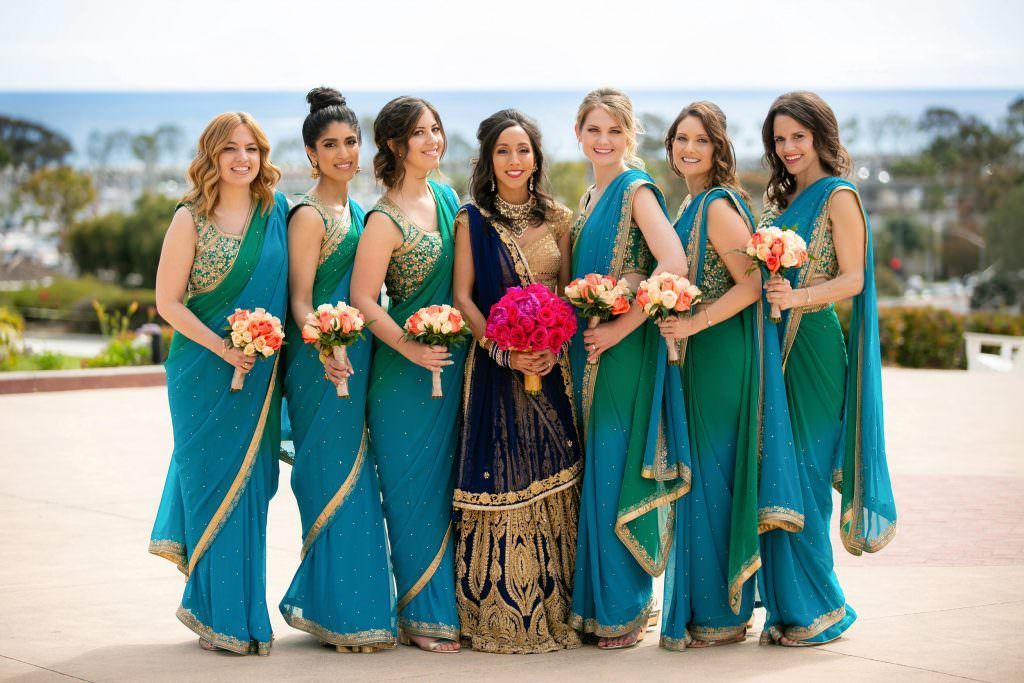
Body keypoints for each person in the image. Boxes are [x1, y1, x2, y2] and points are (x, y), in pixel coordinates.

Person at [655, 102, 802, 649]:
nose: (688, 149)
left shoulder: (716, 206)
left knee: (714, 480)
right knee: (701, 483)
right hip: (697, 355)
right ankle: (711, 611)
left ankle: (723, 615)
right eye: (681, 140)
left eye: (700, 140)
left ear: (718, 149)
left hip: (719, 356)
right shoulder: (690, 204)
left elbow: (751, 285)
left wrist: (694, 323)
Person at [758, 91, 897, 645]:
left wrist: (795, 299)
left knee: (807, 477)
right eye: (779, 139)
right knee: (777, 475)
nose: (788, 148)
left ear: (819, 136)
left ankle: (823, 610)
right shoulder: (784, 199)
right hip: (774, 351)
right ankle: (788, 610)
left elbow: (854, 279)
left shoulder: (839, 196)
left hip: (814, 349)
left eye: (798, 136)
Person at [150, 112, 287, 655]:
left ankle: (246, 613)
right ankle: (214, 613)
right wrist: (222, 347)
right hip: (201, 372)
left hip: (259, 373)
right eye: (230, 149)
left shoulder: (273, 212)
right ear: (211, 156)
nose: (242, 158)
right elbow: (168, 303)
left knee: (252, 489)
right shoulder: (190, 217)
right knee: (210, 486)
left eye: (251, 148)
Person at [451, 109, 583, 654]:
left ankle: (563, 607)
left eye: (523, 149)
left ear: (536, 157)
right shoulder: (471, 220)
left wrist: (550, 346)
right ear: (488, 159)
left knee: (556, 466)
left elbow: (570, 291)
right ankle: (496, 614)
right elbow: (463, 297)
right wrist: (505, 351)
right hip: (494, 369)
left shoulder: (559, 218)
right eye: (503, 151)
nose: (513, 160)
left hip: (552, 368)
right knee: (498, 470)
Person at [567, 88, 689, 650]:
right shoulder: (591, 194)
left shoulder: (636, 189)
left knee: (616, 470)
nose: (604, 140)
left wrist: (620, 326)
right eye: (594, 130)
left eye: (615, 131)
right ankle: (596, 608)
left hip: (623, 352)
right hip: (588, 352)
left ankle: (623, 610)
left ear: (630, 136)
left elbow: (673, 263)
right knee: (596, 470)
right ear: (579, 134)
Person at [278, 87, 397, 653]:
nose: (344, 153)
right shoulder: (308, 214)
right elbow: (300, 299)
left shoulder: (359, 210)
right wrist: (324, 345)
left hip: (361, 355)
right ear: (311, 153)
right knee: (332, 479)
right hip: (319, 363)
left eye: (351, 142)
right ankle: (343, 615)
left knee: (361, 478)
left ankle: (356, 608)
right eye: (331, 145)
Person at [350, 96, 464, 653]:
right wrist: (409, 348)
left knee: (447, 490)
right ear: (395, 145)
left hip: (455, 365)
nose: (433, 141)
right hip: (403, 374)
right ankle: (422, 613)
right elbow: (363, 300)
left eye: (437, 130)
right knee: (411, 492)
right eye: (420, 133)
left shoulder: (447, 198)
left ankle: (448, 604)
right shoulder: (382, 217)